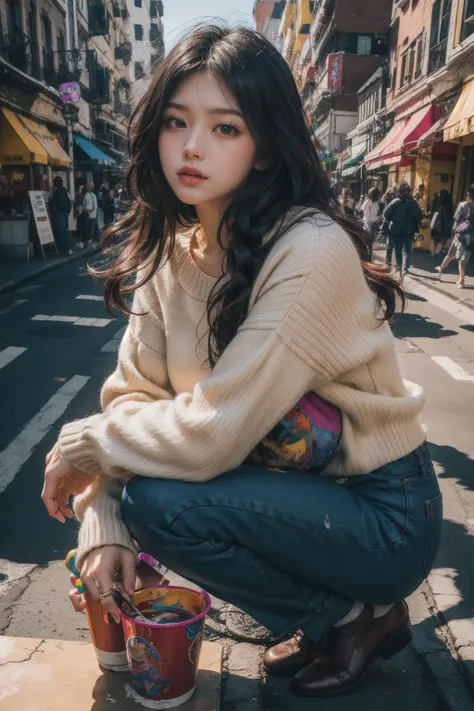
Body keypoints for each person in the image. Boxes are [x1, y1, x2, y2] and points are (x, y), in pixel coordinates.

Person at [41, 26, 441, 699]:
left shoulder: (310, 249)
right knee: (142, 503)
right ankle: (341, 620)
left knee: (163, 503)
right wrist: (103, 523)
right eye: (176, 121)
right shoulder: (173, 249)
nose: (192, 146)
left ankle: (355, 616)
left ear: (262, 147)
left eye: (225, 128)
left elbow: (211, 431)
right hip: (287, 490)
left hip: (381, 511)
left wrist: (82, 445)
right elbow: (133, 400)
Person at [435, 185, 474, 289]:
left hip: (463, 237)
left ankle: (461, 280)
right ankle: (443, 269)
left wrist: (453, 233)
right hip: (465, 237)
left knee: (457, 258)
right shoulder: (463, 205)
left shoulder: (463, 205)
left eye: (468, 194)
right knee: (456, 257)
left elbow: (456, 222)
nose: (467, 196)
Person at [384, 183, 423, 278]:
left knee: (397, 250)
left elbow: (386, 214)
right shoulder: (413, 202)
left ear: (399, 192)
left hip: (397, 231)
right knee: (408, 250)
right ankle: (406, 269)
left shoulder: (395, 202)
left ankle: (399, 270)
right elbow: (419, 216)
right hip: (410, 231)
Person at [50, 176, 72, 255]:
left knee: (60, 230)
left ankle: (65, 248)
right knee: (63, 230)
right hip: (64, 213)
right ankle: (66, 248)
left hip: (59, 214)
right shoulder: (65, 190)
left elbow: (59, 203)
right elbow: (69, 201)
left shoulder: (58, 191)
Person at [429, 189, 454, 258]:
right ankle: (437, 252)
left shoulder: (437, 202)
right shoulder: (449, 204)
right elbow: (451, 216)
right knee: (442, 239)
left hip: (436, 225)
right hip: (444, 225)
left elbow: (431, 211)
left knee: (434, 239)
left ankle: (432, 254)